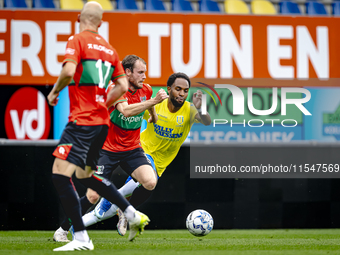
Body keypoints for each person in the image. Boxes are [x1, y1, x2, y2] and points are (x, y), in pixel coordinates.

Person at [48, 3, 149, 251]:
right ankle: (130, 212)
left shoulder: (77, 40)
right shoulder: (110, 49)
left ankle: (81, 238)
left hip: (81, 121)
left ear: (79, 17)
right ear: (101, 23)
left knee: (60, 175)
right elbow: (123, 87)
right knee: (86, 176)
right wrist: (102, 104)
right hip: (100, 124)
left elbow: (69, 70)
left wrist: (54, 92)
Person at [53, 54, 168, 242]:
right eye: (140, 72)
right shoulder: (116, 88)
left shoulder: (145, 90)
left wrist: (153, 116)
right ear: (128, 72)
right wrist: (154, 102)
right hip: (105, 150)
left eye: (145, 72)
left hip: (132, 149)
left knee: (150, 181)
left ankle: (125, 209)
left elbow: (150, 110)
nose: (144, 76)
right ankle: (63, 229)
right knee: (92, 196)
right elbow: (125, 110)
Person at [80, 72, 211, 236]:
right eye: (178, 89)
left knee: (149, 185)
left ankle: (124, 209)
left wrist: (200, 108)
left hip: (162, 162)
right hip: (141, 151)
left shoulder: (189, 110)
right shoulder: (156, 104)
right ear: (168, 89)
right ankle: (117, 205)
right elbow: (131, 113)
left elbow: (207, 121)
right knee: (148, 179)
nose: (182, 94)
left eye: (186, 90)